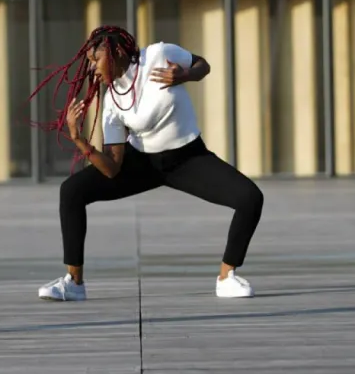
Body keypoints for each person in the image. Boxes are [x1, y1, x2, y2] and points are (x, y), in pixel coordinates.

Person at [29, 25, 264, 302]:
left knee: (250, 197)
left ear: (115, 52)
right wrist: (78, 139)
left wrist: (185, 74)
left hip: (188, 158)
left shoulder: (159, 54)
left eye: (95, 59)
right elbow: (113, 167)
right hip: (141, 163)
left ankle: (226, 277)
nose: (91, 69)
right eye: (89, 63)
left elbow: (204, 65)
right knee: (71, 191)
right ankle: (74, 282)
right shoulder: (112, 101)